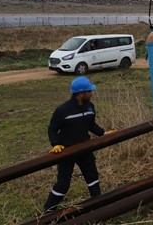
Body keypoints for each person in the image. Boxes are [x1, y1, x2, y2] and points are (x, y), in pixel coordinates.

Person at [43, 76, 113, 213]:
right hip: (67, 152)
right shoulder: (62, 110)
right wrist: (55, 144)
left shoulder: (90, 107)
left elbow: (91, 124)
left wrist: (103, 134)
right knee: (63, 185)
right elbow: (52, 129)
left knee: (93, 178)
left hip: (85, 149)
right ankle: (48, 212)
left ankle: (98, 207)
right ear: (81, 93)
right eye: (89, 91)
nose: (92, 93)